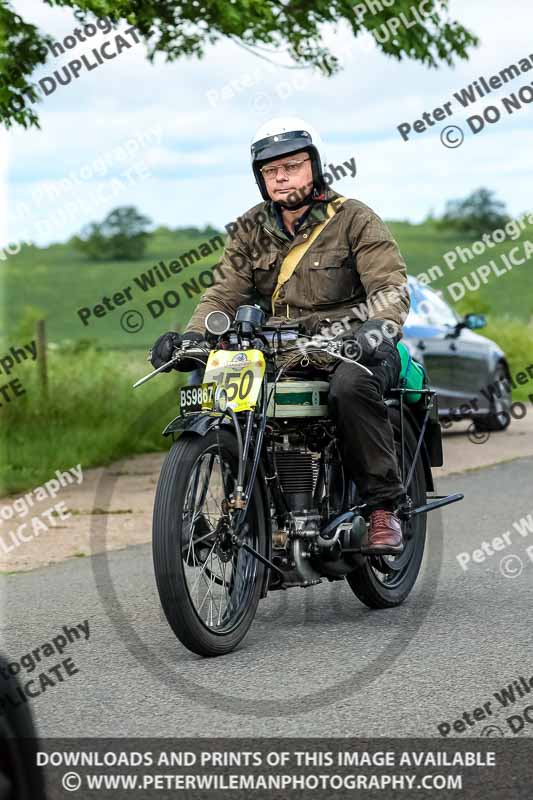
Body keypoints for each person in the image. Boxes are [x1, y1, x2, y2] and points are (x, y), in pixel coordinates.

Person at [150, 117, 411, 554]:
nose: (281, 177)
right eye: (271, 171)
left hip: (350, 347)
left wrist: (374, 330)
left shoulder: (354, 219)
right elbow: (224, 293)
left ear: (316, 166)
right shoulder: (251, 228)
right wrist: (193, 338)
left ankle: (384, 507)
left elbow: (390, 287)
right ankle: (249, 510)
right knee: (223, 393)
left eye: (291, 166)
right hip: (279, 351)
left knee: (350, 388)